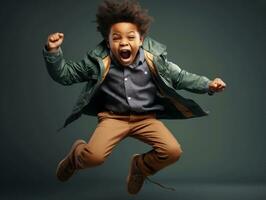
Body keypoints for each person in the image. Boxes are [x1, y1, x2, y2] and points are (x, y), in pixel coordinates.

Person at [43, 0, 226, 195]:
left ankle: (140, 167)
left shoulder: (155, 59)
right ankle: (75, 156)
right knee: (93, 158)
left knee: (172, 152)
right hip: (113, 118)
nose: (124, 42)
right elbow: (66, 75)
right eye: (116, 38)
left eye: (131, 37)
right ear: (108, 41)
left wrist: (208, 85)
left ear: (141, 39)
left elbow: (180, 77)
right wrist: (53, 52)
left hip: (146, 119)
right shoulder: (98, 61)